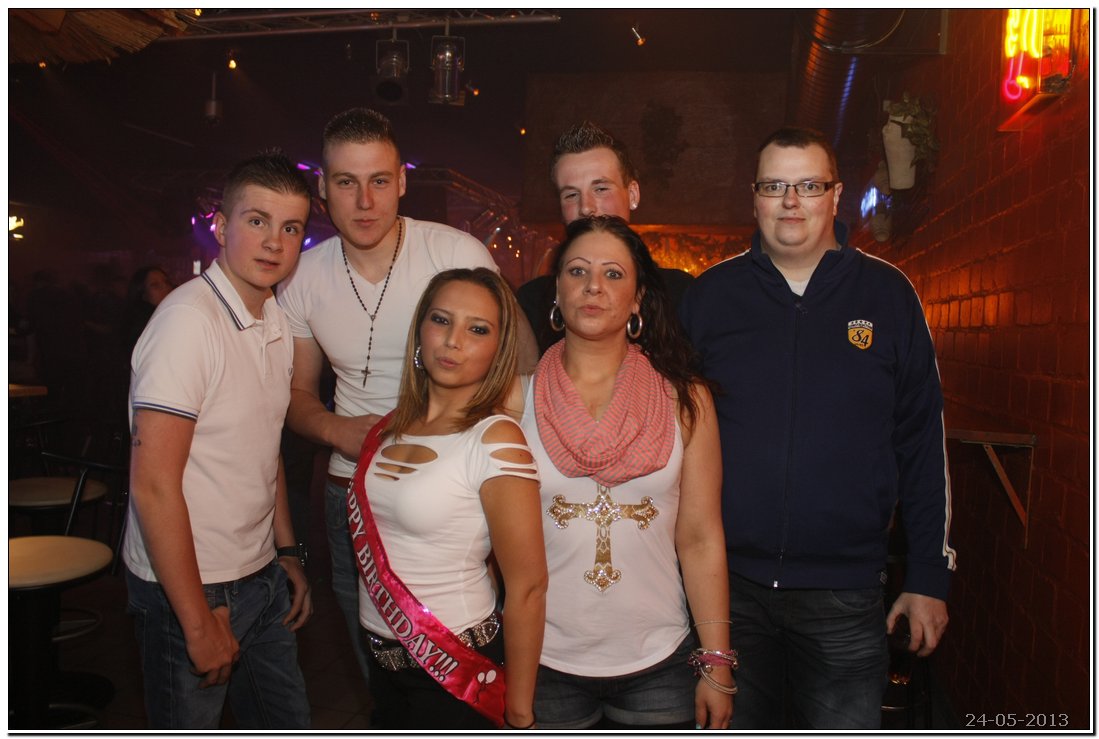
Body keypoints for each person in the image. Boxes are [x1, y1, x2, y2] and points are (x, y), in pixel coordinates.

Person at [679, 126, 957, 729]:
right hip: (727, 590)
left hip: (845, 594)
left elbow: (920, 442)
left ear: (835, 195)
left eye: (808, 185)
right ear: (754, 197)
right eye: (773, 186)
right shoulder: (710, 300)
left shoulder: (888, 296)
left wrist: (928, 575)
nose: (790, 201)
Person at [276, 107, 535, 690]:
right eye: (347, 182)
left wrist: (483, 461)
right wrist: (336, 430)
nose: (365, 201)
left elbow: (521, 371)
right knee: (376, 664)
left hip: (452, 490)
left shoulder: (455, 252)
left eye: (379, 180)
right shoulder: (301, 276)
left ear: (402, 181)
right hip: (352, 487)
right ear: (322, 188)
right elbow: (295, 395)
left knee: (466, 649)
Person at [516, 215, 734, 730]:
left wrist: (716, 662)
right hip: (543, 659)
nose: (593, 285)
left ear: (638, 299)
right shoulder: (513, 398)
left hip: (659, 660)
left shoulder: (685, 400)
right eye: (577, 271)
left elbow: (701, 539)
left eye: (613, 274)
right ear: (557, 292)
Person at [123, 151, 313, 729]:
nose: (274, 242)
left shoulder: (274, 317)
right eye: (257, 221)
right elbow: (153, 486)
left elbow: (265, 449)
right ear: (221, 225)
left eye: (291, 228)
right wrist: (196, 620)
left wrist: (285, 552)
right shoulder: (188, 323)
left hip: (260, 574)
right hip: (191, 585)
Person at [349, 268, 547, 730]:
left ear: (499, 349)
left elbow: (528, 587)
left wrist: (519, 712)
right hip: (381, 661)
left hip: (455, 667)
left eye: (477, 330)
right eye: (441, 320)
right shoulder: (389, 428)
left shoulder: (495, 438)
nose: (453, 341)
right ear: (421, 329)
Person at [516, 120, 694, 355]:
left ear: (632, 194)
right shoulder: (530, 302)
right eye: (571, 195)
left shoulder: (682, 295)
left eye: (600, 189)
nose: (586, 207)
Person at [124, 266, 175, 353]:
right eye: (155, 285)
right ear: (143, 294)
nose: (165, 287)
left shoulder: (173, 314)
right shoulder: (144, 327)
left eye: (167, 282)